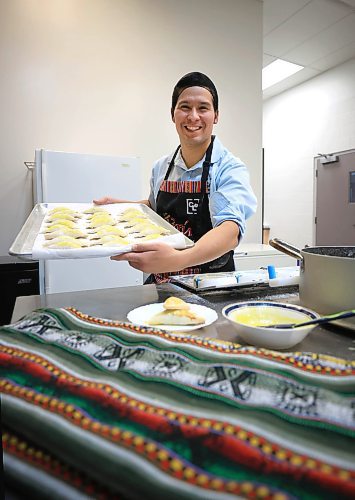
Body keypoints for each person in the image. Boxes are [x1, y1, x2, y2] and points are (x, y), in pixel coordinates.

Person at [94, 71, 257, 283]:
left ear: (216, 115)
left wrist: (177, 260)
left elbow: (230, 230)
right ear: (173, 114)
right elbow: (156, 209)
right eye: (185, 107)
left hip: (211, 288)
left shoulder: (229, 168)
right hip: (164, 285)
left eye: (203, 108)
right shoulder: (161, 167)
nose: (193, 116)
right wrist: (123, 207)